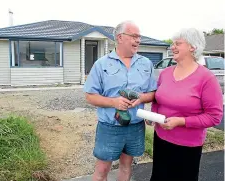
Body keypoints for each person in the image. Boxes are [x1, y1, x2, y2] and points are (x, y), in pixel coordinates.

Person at [83, 21, 157, 181]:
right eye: (134, 36)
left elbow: (152, 93)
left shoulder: (146, 64)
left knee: (126, 166)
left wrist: (141, 98)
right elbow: (89, 96)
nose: (138, 40)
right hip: (110, 127)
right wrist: (114, 102)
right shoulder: (101, 64)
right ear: (120, 37)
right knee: (102, 169)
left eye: (139, 37)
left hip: (135, 126)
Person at [148, 28, 223, 181]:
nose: (172, 47)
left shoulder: (206, 78)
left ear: (192, 47)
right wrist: (153, 114)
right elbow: (157, 98)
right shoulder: (165, 73)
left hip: (187, 146)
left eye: (178, 43)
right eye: (173, 43)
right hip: (161, 138)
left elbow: (214, 117)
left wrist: (181, 121)